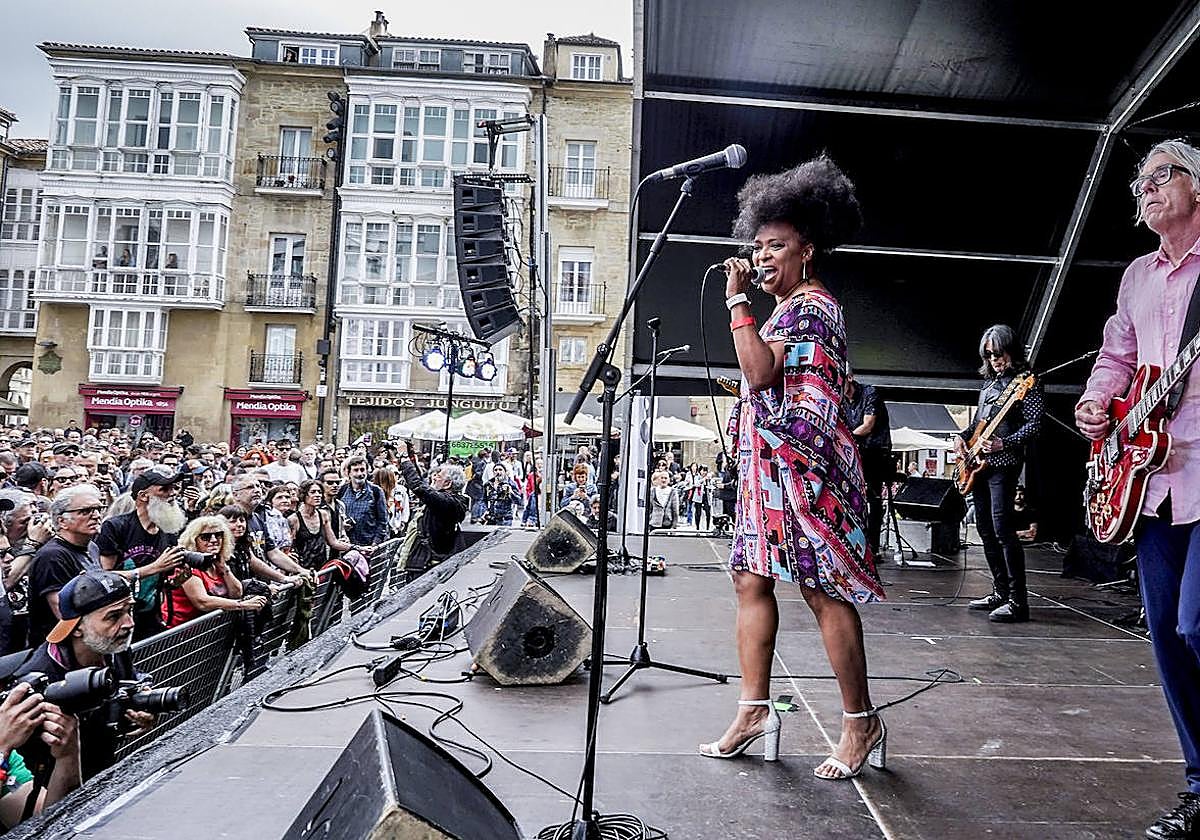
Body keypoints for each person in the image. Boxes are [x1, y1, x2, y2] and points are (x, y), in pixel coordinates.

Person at [705, 155, 886, 781]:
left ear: (807, 250)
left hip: (807, 474)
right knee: (750, 581)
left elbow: (759, 373)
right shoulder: (787, 309)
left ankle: (860, 721)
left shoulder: (810, 306)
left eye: (775, 246)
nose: (761, 257)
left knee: (821, 590)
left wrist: (737, 302)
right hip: (770, 473)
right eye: (757, 247)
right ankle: (754, 711)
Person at [1075, 139, 1200, 840]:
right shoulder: (1137, 277)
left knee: (1197, 624)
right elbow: (1117, 355)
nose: (1146, 188)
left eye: (1161, 176)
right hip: (1151, 482)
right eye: (1139, 183)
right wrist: (1098, 402)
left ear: (1197, 186)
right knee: (1169, 642)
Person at [16, 570, 150, 781]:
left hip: (104, 774)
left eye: (129, 610)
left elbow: (131, 682)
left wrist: (142, 705)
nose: (129, 623)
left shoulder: (115, 647)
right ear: (77, 627)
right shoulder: (38, 679)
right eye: (114, 616)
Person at [953, 325, 1043, 623]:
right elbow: (978, 424)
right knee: (984, 528)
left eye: (999, 353)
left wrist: (1005, 442)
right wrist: (961, 438)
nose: (995, 359)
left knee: (1003, 529)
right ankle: (1000, 591)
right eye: (989, 354)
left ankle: (1018, 601)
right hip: (979, 463)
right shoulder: (989, 384)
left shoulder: (1026, 382)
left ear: (1011, 350)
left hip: (1004, 463)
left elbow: (1035, 425)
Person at [96, 466, 186, 641]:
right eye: (164, 489)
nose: (172, 494)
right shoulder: (116, 526)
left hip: (150, 614)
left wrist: (177, 580)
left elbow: (165, 579)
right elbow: (104, 577)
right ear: (143, 496)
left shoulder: (167, 530)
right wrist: (154, 568)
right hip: (117, 616)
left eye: (174, 488)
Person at [27, 485, 104, 647]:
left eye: (98, 509)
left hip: (91, 643)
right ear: (62, 521)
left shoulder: (92, 547)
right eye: (85, 511)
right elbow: (64, 613)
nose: (96, 515)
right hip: (60, 649)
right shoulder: (52, 556)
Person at [159, 517, 268, 628]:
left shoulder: (217, 564)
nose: (214, 540)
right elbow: (202, 602)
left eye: (218, 535)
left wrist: (224, 569)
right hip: (182, 631)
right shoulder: (186, 566)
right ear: (194, 540)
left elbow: (236, 593)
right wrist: (242, 605)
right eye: (206, 537)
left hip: (208, 630)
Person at [0, 680, 80, 827]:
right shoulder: (2, 746)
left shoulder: (8, 757)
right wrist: (2, 748)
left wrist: (67, 757)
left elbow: (47, 821)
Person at [842, 366, 893, 554]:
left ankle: (872, 546)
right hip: (855, 452)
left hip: (876, 452)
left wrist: (846, 440)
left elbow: (868, 425)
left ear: (849, 377)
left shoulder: (870, 393)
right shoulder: (840, 399)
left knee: (873, 498)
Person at [396, 449, 467, 583]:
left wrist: (404, 458)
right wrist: (412, 457)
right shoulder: (446, 500)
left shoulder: (447, 503)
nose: (433, 478)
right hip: (424, 562)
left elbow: (419, 487)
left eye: (438, 476)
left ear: (448, 484)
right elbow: (423, 486)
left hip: (428, 566)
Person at [288, 480, 352, 571]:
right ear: (304, 495)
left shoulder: (323, 515)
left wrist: (357, 548)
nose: (317, 495)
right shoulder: (294, 519)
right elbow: (289, 548)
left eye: (319, 492)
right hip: (303, 569)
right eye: (313, 492)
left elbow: (333, 542)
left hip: (322, 567)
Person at [337, 456, 388, 549]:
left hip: (369, 545)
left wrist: (375, 543)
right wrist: (342, 525)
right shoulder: (342, 490)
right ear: (349, 473)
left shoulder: (376, 491)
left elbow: (383, 521)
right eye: (356, 470)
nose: (360, 473)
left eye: (362, 470)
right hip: (348, 545)